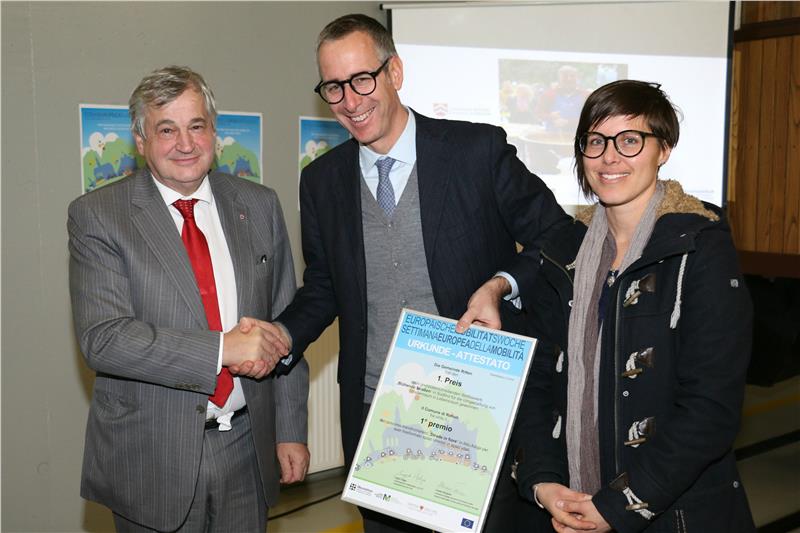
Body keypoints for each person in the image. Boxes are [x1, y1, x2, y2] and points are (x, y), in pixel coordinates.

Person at [270, 13, 569, 533]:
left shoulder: (476, 152)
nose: (350, 101)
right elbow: (323, 287)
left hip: (476, 406)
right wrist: (281, 335)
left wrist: (500, 284)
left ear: (395, 72)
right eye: (334, 87)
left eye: (362, 79)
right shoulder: (320, 181)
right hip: (380, 415)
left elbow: (559, 235)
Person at [68, 65, 309, 533]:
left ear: (213, 132)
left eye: (196, 126)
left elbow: (285, 323)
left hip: (247, 449)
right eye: (167, 129)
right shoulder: (98, 216)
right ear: (141, 141)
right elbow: (104, 339)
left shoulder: (259, 205)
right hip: (151, 458)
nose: (185, 143)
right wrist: (223, 349)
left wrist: (290, 431)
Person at [512, 80, 755, 532]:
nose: (609, 157)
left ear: (663, 149)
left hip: (674, 515)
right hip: (569, 503)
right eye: (596, 141)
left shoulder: (699, 248)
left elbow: (711, 407)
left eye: (629, 140)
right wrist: (543, 481)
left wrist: (618, 506)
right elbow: (536, 381)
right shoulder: (563, 254)